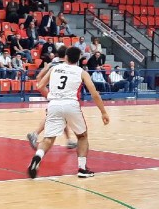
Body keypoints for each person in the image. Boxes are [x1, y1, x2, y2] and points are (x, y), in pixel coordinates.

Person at [28, 47, 110, 179]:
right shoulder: (81, 72)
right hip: (71, 104)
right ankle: (82, 169)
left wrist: (52, 97)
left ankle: (38, 156)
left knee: (49, 138)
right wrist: (103, 112)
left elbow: (40, 86)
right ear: (79, 59)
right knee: (82, 137)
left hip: (54, 104)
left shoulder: (54, 68)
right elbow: (94, 94)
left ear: (65, 57)